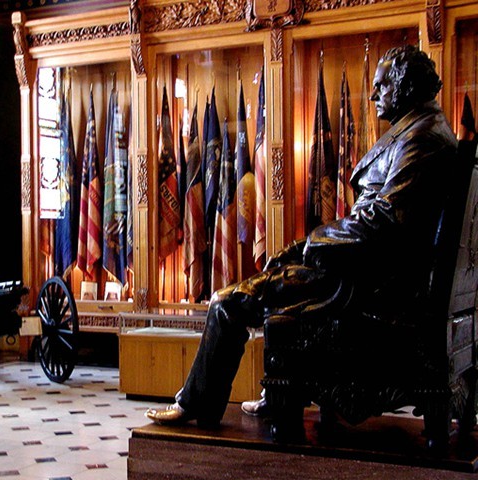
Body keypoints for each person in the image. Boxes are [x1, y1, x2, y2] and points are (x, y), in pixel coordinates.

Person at [145, 44, 458, 427]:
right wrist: (304, 246)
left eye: (382, 86)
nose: (374, 95)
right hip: (363, 269)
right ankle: (278, 389)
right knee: (274, 274)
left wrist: (310, 245)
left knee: (226, 302)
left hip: (363, 283)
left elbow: (383, 220)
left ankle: (197, 405)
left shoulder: (422, 138)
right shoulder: (423, 128)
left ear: (405, 85)